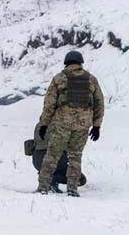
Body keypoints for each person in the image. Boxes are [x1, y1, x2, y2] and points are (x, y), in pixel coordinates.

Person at [36, 50, 104, 197]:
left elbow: (49, 104)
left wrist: (44, 124)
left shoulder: (59, 78)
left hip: (62, 124)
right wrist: (97, 125)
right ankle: (72, 189)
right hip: (83, 125)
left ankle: (43, 187)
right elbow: (99, 103)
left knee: (52, 155)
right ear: (80, 63)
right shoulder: (91, 79)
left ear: (66, 63)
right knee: (75, 156)